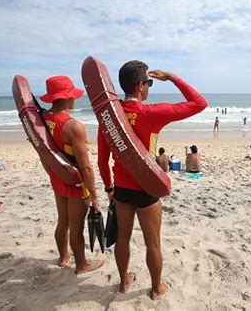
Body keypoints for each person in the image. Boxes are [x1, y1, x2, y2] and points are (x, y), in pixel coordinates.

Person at [97, 60, 207, 300]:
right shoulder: (152, 112)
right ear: (140, 86)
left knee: (123, 238)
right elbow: (200, 103)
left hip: (122, 189)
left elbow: (102, 160)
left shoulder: (109, 118)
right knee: (152, 243)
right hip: (147, 188)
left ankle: (124, 282)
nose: (149, 88)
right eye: (149, 83)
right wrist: (173, 77)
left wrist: (109, 188)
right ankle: (156, 288)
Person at [39, 75, 104, 275]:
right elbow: (86, 167)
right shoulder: (73, 126)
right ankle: (82, 264)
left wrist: (51, 171)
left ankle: (63, 256)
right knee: (76, 228)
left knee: (63, 222)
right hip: (76, 183)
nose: (75, 100)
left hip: (58, 176)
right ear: (67, 97)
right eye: (72, 96)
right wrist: (93, 194)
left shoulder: (43, 119)